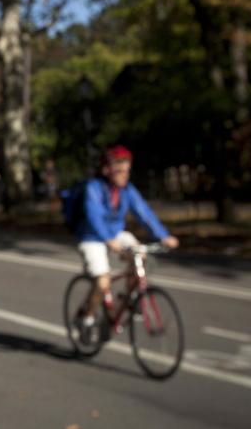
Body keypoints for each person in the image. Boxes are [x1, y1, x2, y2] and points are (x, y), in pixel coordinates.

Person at [76, 145, 179, 340]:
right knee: (103, 280)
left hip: (116, 234)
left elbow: (144, 213)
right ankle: (87, 319)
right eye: (120, 170)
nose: (125, 175)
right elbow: (93, 216)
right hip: (93, 238)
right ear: (108, 170)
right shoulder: (94, 188)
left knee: (141, 254)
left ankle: (130, 298)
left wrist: (163, 236)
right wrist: (107, 239)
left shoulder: (127, 191)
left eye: (127, 170)